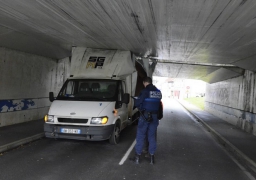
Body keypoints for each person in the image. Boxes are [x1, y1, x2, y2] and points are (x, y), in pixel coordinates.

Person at [130, 77, 162, 165]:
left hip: (144, 116)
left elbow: (137, 103)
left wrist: (139, 104)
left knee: (141, 136)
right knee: (151, 137)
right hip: (154, 117)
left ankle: (137, 157)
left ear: (144, 82)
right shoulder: (158, 92)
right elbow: (158, 104)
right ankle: (152, 158)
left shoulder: (144, 91)